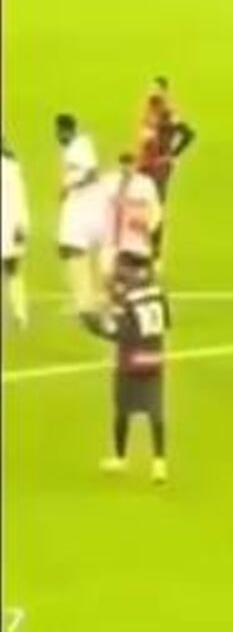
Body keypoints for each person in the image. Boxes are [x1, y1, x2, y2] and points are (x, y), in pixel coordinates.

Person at [81, 254, 171, 484]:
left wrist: (91, 323)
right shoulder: (159, 294)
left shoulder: (129, 300)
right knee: (155, 411)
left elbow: (117, 333)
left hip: (131, 360)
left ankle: (120, 458)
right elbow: (166, 323)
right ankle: (159, 463)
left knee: (122, 409)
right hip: (154, 358)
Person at [55, 114, 109, 314]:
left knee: (76, 252)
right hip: (82, 207)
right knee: (76, 252)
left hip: (86, 208)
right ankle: (87, 300)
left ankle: (88, 302)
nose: (57, 136)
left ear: (66, 130)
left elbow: (92, 173)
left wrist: (70, 187)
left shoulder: (80, 147)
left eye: (58, 131)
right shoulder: (75, 147)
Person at [137, 76, 196, 203]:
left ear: (164, 92)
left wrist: (173, 155)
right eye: (151, 88)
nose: (152, 91)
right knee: (140, 201)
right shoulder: (149, 108)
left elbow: (189, 134)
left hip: (159, 165)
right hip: (144, 162)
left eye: (156, 89)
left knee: (156, 203)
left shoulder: (168, 113)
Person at [104, 152, 164, 263]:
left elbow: (156, 209)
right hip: (111, 240)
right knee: (109, 268)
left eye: (130, 165)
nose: (126, 169)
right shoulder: (109, 181)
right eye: (124, 165)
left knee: (137, 266)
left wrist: (148, 226)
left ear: (135, 165)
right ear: (119, 165)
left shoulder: (145, 183)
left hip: (136, 238)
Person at [1, 137, 31, 329]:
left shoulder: (11, 168)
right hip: (12, 226)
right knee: (13, 271)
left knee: (13, 271)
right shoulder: (12, 166)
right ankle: (20, 314)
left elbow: (18, 197)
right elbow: (20, 197)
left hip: (9, 225)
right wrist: (22, 225)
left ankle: (20, 313)